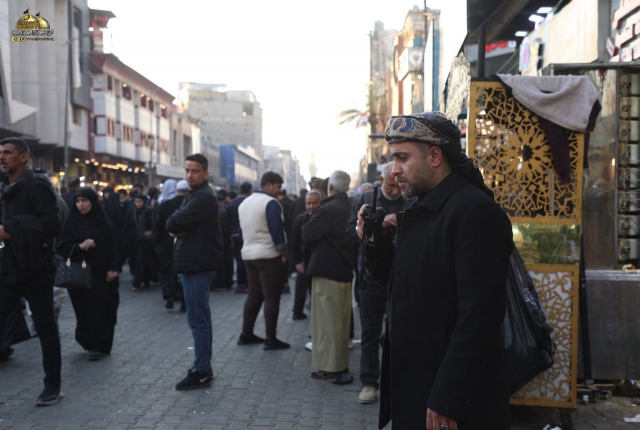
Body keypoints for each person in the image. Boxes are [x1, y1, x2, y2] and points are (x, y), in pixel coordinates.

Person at [358, 112, 513, 429]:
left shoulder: (474, 211)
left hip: (453, 401)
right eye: (393, 158)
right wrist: (374, 242)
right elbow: (403, 286)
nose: (394, 169)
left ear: (435, 156)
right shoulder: (422, 209)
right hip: (418, 384)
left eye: (402, 157)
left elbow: (480, 317)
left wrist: (448, 396)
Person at [0, 137, 62, 406]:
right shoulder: (4, 188)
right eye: (0, 152)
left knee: (46, 328)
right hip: (7, 268)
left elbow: (52, 224)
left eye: (7, 152)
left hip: (35, 269)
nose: (2, 157)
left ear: (23, 157)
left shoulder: (37, 187)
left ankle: (53, 385)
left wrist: (11, 229)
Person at [345, 162, 412, 404]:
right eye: (391, 185)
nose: (396, 190)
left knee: (402, 332)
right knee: (370, 332)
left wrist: (401, 221)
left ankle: (400, 384)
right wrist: (378, 227)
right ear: (381, 181)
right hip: (372, 277)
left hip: (403, 276)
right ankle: (369, 383)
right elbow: (350, 235)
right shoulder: (365, 199)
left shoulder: (411, 198)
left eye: (400, 185)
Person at [167, 154, 223, 391]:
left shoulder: (203, 197)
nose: (190, 175)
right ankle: (203, 367)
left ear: (205, 173)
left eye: (195, 171)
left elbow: (172, 223)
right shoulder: (195, 195)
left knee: (198, 320)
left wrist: (179, 228)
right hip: (194, 263)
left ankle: (201, 371)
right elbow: (175, 223)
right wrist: (178, 228)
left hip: (197, 265)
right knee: (200, 319)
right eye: (187, 170)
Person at [302, 170, 355, 384]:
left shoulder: (328, 209)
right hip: (344, 270)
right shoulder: (350, 206)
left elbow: (307, 234)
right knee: (340, 322)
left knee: (326, 324)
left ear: (330, 187)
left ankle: (328, 367)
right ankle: (338, 364)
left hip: (326, 270)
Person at [56, 188, 120, 362]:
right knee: (83, 310)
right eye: (78, 201)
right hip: (79, 275)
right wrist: (79, 246)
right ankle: (88, 341)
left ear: (92, 202)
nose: (81, 205)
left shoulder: (102, 221)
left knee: (100, 309)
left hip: (101, 275)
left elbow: (112, 245)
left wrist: (112, 268)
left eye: (84, 201)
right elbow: (61, 245)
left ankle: (98, 345)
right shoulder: (72, 222)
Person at [236, 171, 289, 351]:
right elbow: (277, 230)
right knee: (271, 296)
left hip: (248, 255)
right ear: (269, 185)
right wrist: (283, 252)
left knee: (254, 294)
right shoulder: (270, 203)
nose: (279, 191)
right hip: (268, 256)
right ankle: (270, 338)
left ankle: (246, 333)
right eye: (278, 187)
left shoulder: (244, 203)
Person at [153, 179, 187, 310]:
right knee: (180, 271)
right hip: (182, 243)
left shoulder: (163, 204)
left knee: (165, 270)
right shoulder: (188, 204)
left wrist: (156, 242)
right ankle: (182, 298)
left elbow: (157, 225)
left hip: (164, 244)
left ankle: (168, 295)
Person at [290, 190, 322, 320]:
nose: (311, 206)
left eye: (314, 203)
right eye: (308, 203)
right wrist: (297, 262)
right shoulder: (301, 219)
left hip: (319, 261)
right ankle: (297, 312)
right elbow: (294, 242)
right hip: (304, 260)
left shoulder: (324, 218)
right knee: (301, 287)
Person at [124, 194, 157, 291]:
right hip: (133, 241)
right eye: (136, 202)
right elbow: (127, 227)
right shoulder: (131, 212)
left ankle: (136, 283)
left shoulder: (149, 212)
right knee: (138, 261)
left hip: (146, 241)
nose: (138, 204)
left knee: (140, 261)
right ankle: (146, 280)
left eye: (140, 202)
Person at [227, 182, 252, 294]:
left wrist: (230, 236)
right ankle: (244, 283)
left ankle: (240, 283)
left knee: (238, 258)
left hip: (234, 233)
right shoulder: (249, 202)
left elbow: (227, 220)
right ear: (250, 190)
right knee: (245, 259)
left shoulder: (233, 202)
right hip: (245, 232)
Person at [212, 191, 233, 291]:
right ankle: (225, 282)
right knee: (225, 262)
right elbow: (226, 229)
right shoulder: (223, 212)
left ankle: (216, 283)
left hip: (213, 241)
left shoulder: (210, 211)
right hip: (223, 241)